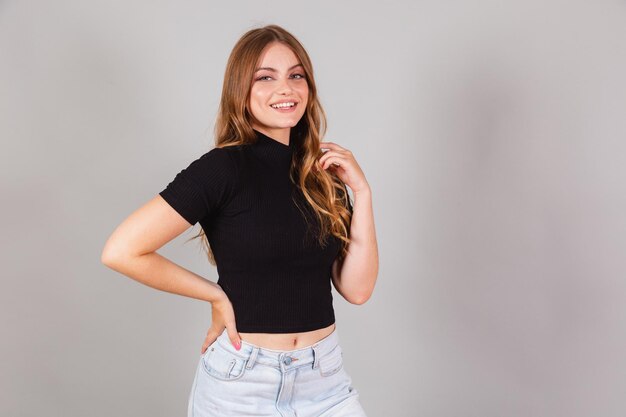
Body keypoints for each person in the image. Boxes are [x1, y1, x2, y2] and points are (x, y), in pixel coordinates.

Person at [101, 24, 378, 417]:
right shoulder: (223, 169)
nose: (286, 89)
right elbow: (121, 250)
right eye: (265, 78)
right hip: (243, 383)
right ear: (240, 92)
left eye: (296, 76)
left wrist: (362, 194)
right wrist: (214, 295)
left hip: (324, 380)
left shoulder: (323, 176)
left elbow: (357, 289)